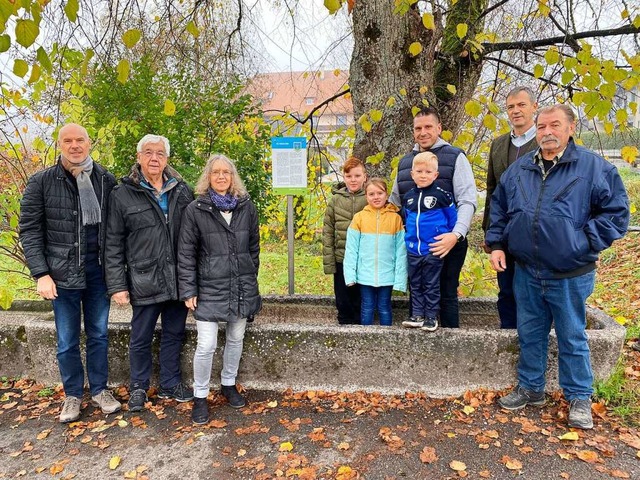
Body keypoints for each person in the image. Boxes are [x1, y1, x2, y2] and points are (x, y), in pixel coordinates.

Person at [486, 104, 629, 429]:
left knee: (571, 335)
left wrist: (581, 243)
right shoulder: (520, 169)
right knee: (530, 333)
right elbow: (500, 206)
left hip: (570, 273)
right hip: (526, 271)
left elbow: (616, 214)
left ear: (570, 127)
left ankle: (579, 397)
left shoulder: (594, 169)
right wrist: (496, 243)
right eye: (542, 127)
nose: (547, 132)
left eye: (554, 125)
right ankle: (531, 388)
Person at [19, 123, 121, 423]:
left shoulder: (105, 180)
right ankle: (73, 396)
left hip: (98, 273)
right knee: (66, 339)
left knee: (99, 335)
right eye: (68, 141)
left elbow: (115, 231)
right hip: (61, 275)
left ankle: (100, 390)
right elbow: (29, 230)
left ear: (89, 144)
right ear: (60, 144)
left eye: (80, 140)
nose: (74, 145)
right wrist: (41, 273)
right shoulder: (41, 182)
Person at [105, 134, 194, 412]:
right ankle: (139, 387)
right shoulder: (122, 194)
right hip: (144, 279)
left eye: (159, 153)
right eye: (148, 153)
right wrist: (117, 285)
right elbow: (112, 243)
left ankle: (170, 382)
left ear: (166, 159)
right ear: (139, 157)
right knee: (140, 336)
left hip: (177, 278)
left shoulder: (182, 190)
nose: (154, 158)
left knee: (174, 333)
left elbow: (193, 237)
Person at [177, 154, 261, 425]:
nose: (222, 177)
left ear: (233, 176)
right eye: (216, 173)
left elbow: (254, 248)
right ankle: (200, 396)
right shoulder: (196, 209)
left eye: (227, 172)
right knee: (207, 345)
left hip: (240, 286)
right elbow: (186, 253)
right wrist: (189, 290)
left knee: (236, 339)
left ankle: (228, 383)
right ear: (208, 177)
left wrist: (250, 277)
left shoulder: (246, 208)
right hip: (209, 288)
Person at [390, 107, 477, 328]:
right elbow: (395, 204)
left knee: (446, 293)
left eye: (428, 127)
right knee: (417, 292)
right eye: (418, 128)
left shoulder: (455, 157)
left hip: (446, 243)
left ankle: (450, 347)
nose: (423, 132)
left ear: (439, 128)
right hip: (417, 246)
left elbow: (467, 200)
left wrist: (456, 235)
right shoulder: (405, 164)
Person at [482, 86, 538, 329]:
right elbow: (491, 191)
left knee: (534, 294)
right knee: (506, 292)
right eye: (511, 107)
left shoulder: (545, 141)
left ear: (534, 107)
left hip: (537, 234)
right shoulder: (498, 144)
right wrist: (490, 235)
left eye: (521, 105)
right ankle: (508, 340)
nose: (516, 111)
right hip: (504, 234)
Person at [400, 153, 457, 331]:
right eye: (419, 171)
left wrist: (444, 234)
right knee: (415, 283)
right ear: (412, 174)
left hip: (433, 249)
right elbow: (406, 218)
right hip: (413, 249)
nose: (423, 175)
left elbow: (452, 220)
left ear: (435, 175)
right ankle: (417, 314)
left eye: (428, 171)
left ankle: (431, 317)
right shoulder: (408, 196)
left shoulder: (442, 196)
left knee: (431, 284)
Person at [343, 178, 407, 326]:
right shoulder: (359, 218)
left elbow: (401, 251)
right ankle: (365, 339)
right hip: (365, 273)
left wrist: (400, 278)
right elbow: (352, 249)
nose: (376, 197)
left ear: (386, 195)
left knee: (384, 306)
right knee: (367, 306)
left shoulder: (395, 219)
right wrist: (350, 275)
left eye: (380, 193)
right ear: (366, 196)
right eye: (371, 194)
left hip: (387, 273)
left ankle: (386, 339)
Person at [322, 157, 368, 325]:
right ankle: (344, 326)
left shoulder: (370, 198)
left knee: (361, 298)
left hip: (364, 259)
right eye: (349, 176)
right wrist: (329, 262)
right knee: (343, 297)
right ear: (344, 177)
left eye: (357, 176)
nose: (353, 180)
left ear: (364, 177)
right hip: (342, 257)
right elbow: (328, 230)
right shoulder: (335, 200)